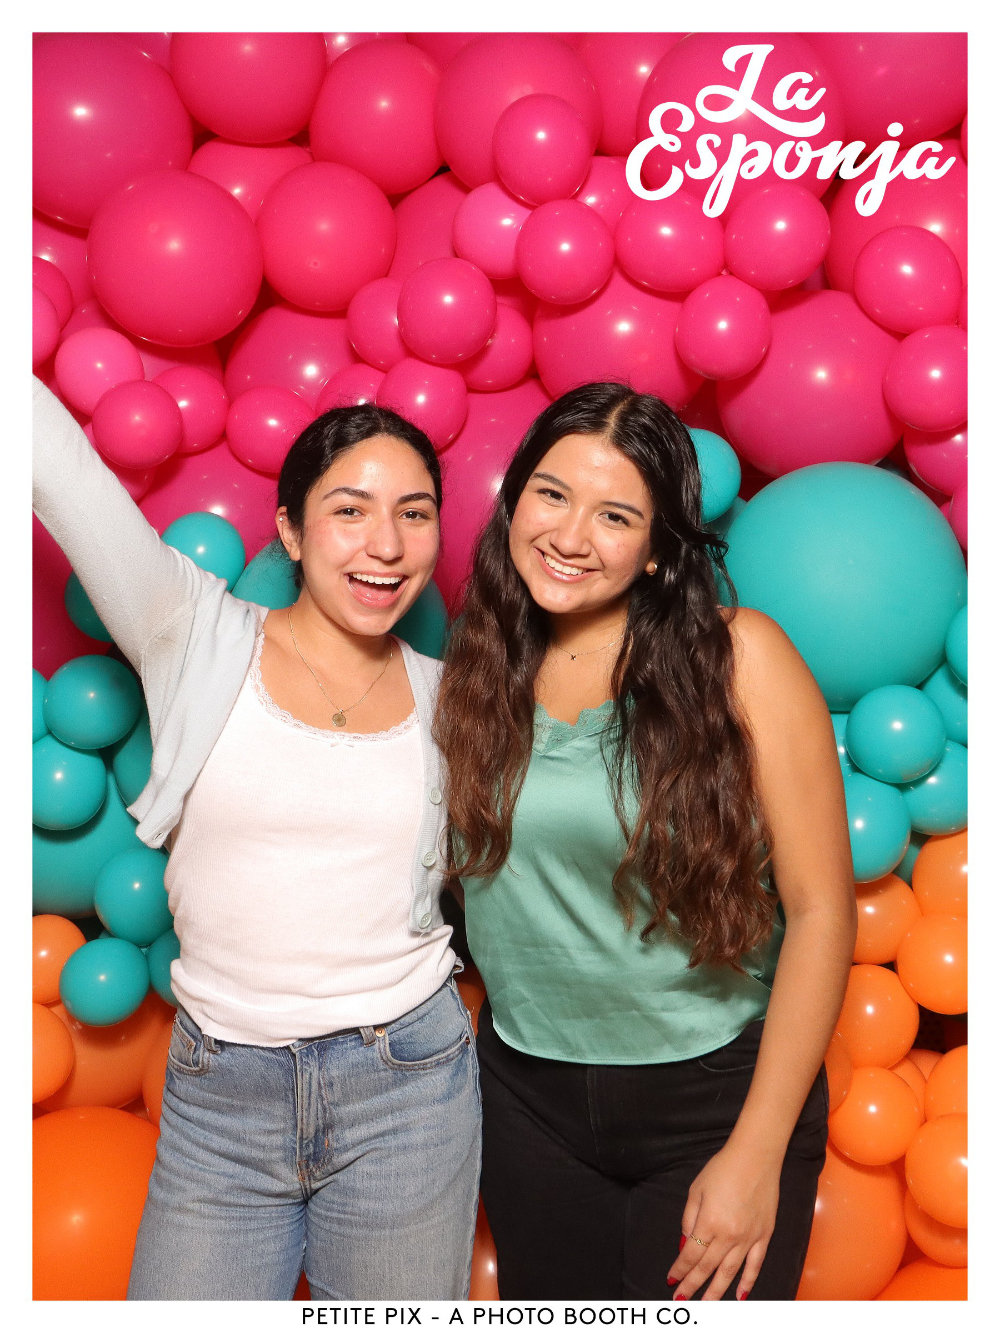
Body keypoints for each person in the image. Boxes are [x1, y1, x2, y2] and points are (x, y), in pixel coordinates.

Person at [32, 375, 481, 1301]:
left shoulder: (454, 700)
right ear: (290, 530)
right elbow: (58, 468)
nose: (386, 544)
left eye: (414, 512)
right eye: (349, 510)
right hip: (221, 1097)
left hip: (407, 1085)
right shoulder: (192, 631)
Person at [434, 381, 856, 1301]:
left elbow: (823, 910)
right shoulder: (471, 669)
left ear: (659, 550)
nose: (570, 534)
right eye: (551, 494)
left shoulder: (741, 658)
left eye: (615, 515)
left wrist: (758, 1149)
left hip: (715, 1098)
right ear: (514, 500)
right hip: (526, 1101)